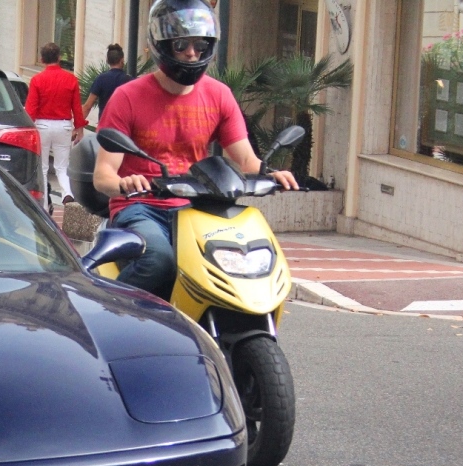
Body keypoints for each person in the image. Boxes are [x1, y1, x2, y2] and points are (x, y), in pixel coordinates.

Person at [93, 0, 298, 300]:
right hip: (141, 207)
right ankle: (106, 314)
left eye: (200, 45)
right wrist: (125, 183)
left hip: (197, 207)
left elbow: (245, 159)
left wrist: (273, 174)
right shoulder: (128, 96)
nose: (192, 53)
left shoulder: (219, 95)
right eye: (181, 45)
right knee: (158, 260)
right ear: (161, 44)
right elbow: (103, 175)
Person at [24, 42, 87, 208]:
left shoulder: (37, 80)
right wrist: (79, 129)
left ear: (42, 59)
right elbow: (77, 108)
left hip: (42, 125)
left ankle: (44, 205)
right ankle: (67, 192)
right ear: (59, 58)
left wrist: (27, 129)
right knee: (62, 166)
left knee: (42, 168)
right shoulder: (70, 79)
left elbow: (31, 109)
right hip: (64, 126)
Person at [82, 44, 132, 123]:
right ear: (122, 60)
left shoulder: (101, 79)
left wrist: (78, 125)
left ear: (107, 60)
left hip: (104, 125)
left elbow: (88, 106)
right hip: (123, 126)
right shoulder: (129, 80)